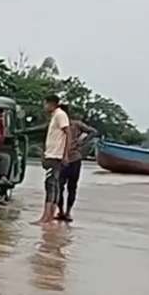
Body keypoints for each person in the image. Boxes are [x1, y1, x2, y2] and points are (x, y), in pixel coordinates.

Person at [33, 94, 71, 224]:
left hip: (55, 156)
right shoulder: (55, 116)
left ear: (51, 104)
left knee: (50, 185)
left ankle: (46, 217)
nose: (44, 107)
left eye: (45, 104)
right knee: (53, 185)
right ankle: (49, 217)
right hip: (52, 154)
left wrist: (65, 154)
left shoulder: (60, 115)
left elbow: (68, 133)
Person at [56, 106, 97, 222]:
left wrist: (82, 141)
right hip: (63, 159)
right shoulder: (59, 125)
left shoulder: (75, 124)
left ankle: (66, 212)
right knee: (62, 187)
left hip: (73, 159)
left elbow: (93, 132)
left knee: (69, 187)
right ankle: (62, 212)